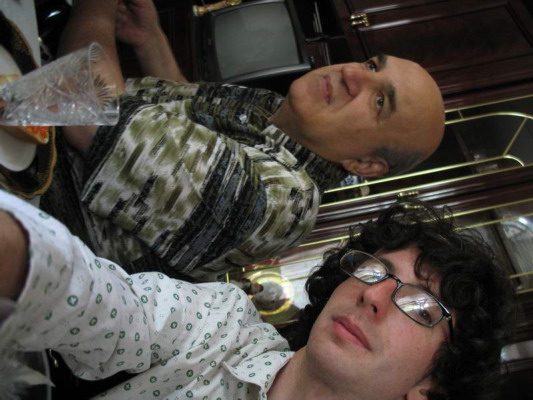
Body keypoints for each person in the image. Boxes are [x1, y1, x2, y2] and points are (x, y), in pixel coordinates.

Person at [41, 0, 446, 280]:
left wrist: (95, 5)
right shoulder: (280, 118)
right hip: (32, 130)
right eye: (372, 65)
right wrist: (150, 39)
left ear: (364, 165)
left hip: (30, 209)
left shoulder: (281, 202)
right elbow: (192, 134)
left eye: (379, 101)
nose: (351, 73)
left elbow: (89, 109)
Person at [0, 189, 513, 400]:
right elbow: (110, 308)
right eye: (374, 270)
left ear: (429, 386)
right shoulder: (220, 324)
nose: (373, 296)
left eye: (420, 306)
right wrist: (19, 252)